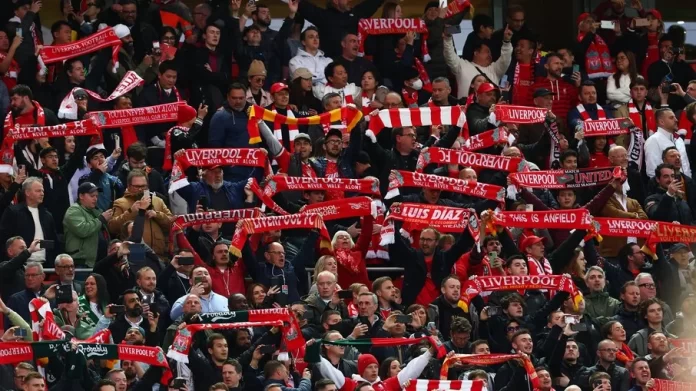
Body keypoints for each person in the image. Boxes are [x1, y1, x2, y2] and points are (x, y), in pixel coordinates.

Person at [110, 169, 173, 259]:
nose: (140, 189)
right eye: (136, 186)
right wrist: (131, 211)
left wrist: (157, 215)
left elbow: (172, 223)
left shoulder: (158, 201)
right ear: (128, 186)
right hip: (133, 256)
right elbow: (112, 227)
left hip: (159, 256)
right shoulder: (120, 203)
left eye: (143, 186)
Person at [0, 176, 58, 266]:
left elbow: (53, 241)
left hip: (45, 266)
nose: (42, 193)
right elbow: (4, 239)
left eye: (42, 191)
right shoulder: (13, 212)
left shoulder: (47, 215)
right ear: (27, 193)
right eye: (38, 191)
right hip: (20, 265)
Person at [443, 25, 513, 99]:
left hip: (491, 109)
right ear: (476, 53)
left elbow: (505, 59)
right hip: (467, 109)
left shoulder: (494, 69)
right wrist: (448, 37)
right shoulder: (462, 65)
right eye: (487, 52)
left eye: (490, 53)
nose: (490, 55)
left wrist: (506, 42)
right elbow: (449, 54)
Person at [63, 182, 113, 267]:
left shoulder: (96, 211)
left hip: (98, 261)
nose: (95, 199)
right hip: (82, 262)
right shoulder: (74, 210)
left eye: (96, 196)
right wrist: (101, 219)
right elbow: (83, 230)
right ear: (81, 196)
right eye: (92, 196)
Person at [644, 109, 692, 179]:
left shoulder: (679, 140)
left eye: (675, 117)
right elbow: (652, 171)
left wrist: (689, 183)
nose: (676, 120)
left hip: (685, 185)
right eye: (671, 118)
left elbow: (685, 165)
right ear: (661, 122)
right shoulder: (653, 140)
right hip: (667, 187)